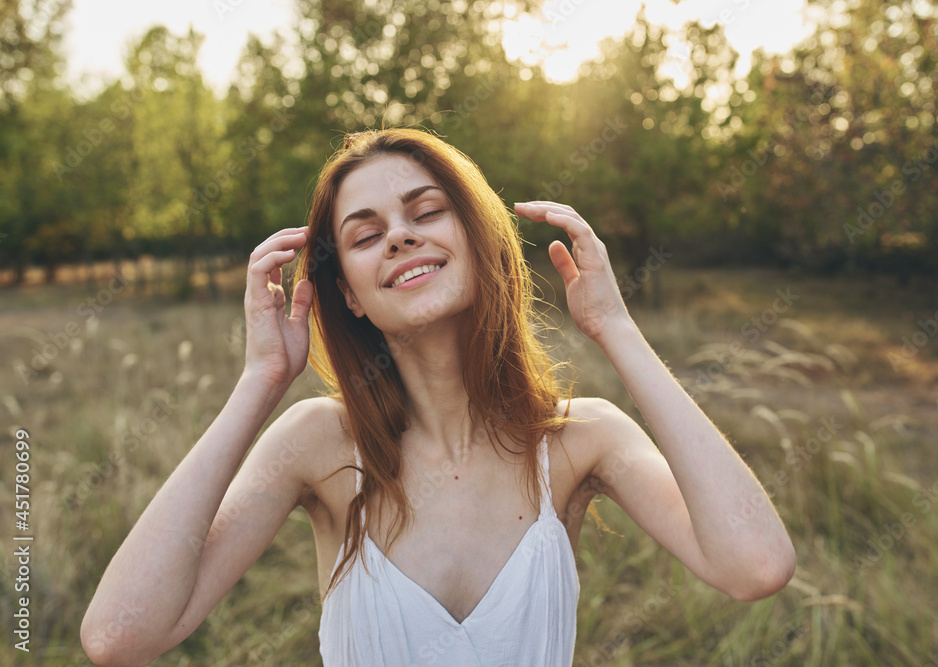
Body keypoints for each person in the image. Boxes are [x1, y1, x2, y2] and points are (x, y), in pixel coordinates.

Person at [80, 128, 795, 666]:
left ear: (478, 242)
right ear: (350, 298)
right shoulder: (317, 445)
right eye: (365, 235)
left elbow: (755, 565)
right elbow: (120, 634)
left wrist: (616, 328)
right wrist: (259, 380)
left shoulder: (582, 441)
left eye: (426, 210)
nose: (399, 236)